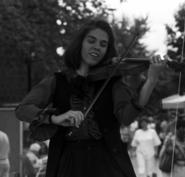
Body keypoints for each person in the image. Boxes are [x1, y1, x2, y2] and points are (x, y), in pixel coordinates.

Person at [15, 19, 167, 177]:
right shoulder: (57, 80)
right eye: (91, 40)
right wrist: (55, 118)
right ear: (80, 43)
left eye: (103, 44)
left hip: (107, 163)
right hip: (69, 163)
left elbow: (127, 117)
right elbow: (22, 110)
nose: (97, 47)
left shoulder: (112, 81)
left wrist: (151, 80)